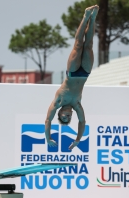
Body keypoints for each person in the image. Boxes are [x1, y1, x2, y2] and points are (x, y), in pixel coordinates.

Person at [45, 5, 99, 150]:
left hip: (73, 72)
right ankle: (93, 18)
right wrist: (77, 140)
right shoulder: (76, 105)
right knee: (89, 46)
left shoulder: (58, 101)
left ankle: (86, 16)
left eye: (64, 117)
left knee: (78, 45)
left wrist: (48, 137)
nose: (67, 116)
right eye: (68, 118)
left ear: (60, 112)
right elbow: (82, 122)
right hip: (84, 73)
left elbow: (48, 121)